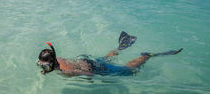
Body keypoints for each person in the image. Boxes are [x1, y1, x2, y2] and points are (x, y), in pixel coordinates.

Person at [37, 31, 183, 76]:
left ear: (52, 62)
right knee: (105, 57)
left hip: (94, 68)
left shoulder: (66, 71)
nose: (42, 67)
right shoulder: (58, 59)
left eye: (44, 65)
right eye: (40, 65)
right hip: (86, 60)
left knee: (129, 70)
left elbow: (89, 75)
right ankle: (119, 48)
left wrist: (95, 81)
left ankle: (146, 56)